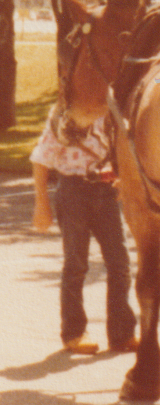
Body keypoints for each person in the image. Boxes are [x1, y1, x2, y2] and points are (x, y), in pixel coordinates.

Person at [31, 103, 138, 355]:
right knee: (76, 263)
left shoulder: (112, 111)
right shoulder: (64, 114)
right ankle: (75, 333)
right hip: (74, 191)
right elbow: (40, 159)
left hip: (106, 191)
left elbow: (124, 147)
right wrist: (41, 204)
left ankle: (122, 333)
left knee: (120, 263)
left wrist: (124, 178)